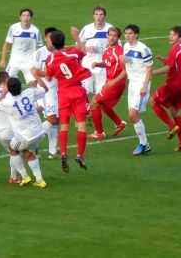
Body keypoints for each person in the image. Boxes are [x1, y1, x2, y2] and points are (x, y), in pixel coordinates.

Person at [32, 29, 91, 173]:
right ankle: (80, 155)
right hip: (77, 91)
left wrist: (38, 73)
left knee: (64, 126)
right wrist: (76, 37)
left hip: (63, 93)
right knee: (81, 125)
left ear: (52, 42)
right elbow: (84, 52)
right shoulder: (73, 52)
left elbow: (49, 77)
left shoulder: (50, 59)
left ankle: (63, 152)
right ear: (64, 41)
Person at [0, 77, 49, 188]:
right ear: (20, 87)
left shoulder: (8, 103)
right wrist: (37, 76)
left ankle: (24, 176)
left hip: (26, 136)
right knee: (28, 153)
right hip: (39, 131)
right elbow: (45, 89)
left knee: (13, 149)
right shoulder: (29, 92)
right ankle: (40, 180)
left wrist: (4, 92)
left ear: (9, 89)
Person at [151, 26, 181, 152]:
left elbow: (168, 69)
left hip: (173, 84)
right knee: (175, 111)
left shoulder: (175, 49)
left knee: (153, 101)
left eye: (174, 35)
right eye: (170, 34)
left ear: (180, 38)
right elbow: (180, 64)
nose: (170, 37)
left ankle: (172, 126)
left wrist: (151, 73)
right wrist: (167, 61)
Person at [118, 25, 153, 155]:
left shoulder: (143, 49)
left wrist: (144, 86)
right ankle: (145, 144)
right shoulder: (126, 46)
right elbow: (128, 64)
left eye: (130, 33)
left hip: (141, 83)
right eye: (126, 33)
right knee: (134, 115)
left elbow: (150, 68)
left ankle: (143, 143)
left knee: (132, 114)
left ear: (136, 34)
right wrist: (124, 60)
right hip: (132, 83)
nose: (127, 35)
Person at [87, 26, 127, 139]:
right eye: (110, 35)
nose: (112, 38)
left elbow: (126, 70)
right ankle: (119, 123)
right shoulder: (108, 48)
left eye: (114, 36)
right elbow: (108, 63)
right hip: (110, 82)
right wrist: (98, 64)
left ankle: (99, 133)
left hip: (115, 84)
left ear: (118, 38)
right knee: (104, 105)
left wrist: (113, 82)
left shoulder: (119, 52)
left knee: (94, 104)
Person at [71, 6, 116, 97]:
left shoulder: (111, 29)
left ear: (104, 16)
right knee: (84, 93)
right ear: (93, 16)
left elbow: (117, 46)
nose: (98, 17)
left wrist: (108, 51)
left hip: (103, 68)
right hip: (88, 66)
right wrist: (86, 48)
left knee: (100, 95)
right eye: (96, 14)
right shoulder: (87, 29)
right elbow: (77, 46)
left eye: (101, 14)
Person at [34, 27, 59, 159]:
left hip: (58, 90)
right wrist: (48, 74)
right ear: (45, 38)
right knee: (51, 119)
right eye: (49, 37)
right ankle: (32, 142)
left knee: (57, 120)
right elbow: (35, 71)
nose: (52, 39)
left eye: (54, 37)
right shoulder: (40, 53)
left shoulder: (59, 51)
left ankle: (52, 152)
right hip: (46, 91)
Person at [0, 8, 43, 86]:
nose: (25, 18)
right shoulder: (13, 28)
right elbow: (6, 44)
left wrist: (39, 62)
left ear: (31, 18)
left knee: (33, 83)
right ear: (20, 17)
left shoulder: (35, 31)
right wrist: (3, 59)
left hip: (29, 62)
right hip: (14, 61)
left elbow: (40, 47)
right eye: (23, 15)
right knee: (7, 81)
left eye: (28, 16)